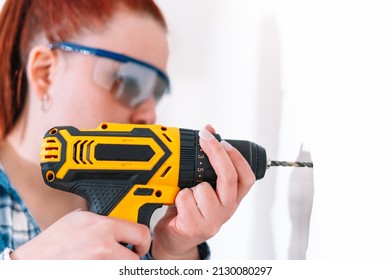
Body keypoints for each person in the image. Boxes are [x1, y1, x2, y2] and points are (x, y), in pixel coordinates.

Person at [0, 0, 256, 260]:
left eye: (156, 93)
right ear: (45, 73)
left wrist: (171, 256)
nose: (150, 114)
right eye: (128, 82)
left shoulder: (144, 222)